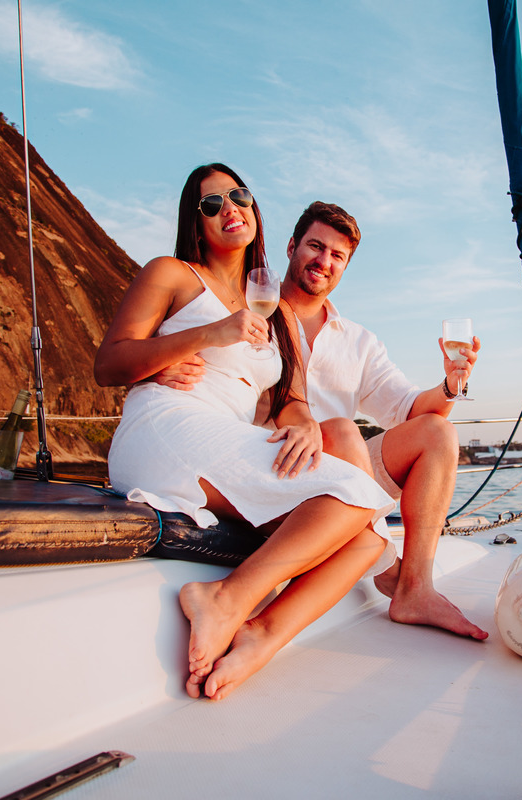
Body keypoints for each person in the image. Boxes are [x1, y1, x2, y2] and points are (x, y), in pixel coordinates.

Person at [95, 164, 395, 701]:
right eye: (212, 204)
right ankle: (225, 600)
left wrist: (304, 429)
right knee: (355, 495)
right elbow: (110, 363)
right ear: (196, 220)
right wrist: (207, 334)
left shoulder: (274, 306)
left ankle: (263, 633)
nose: (230, 208)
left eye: (239, 195)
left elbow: (291, 402)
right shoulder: (173, 273)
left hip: (220, 438)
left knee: (369, 535)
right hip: (166, 424)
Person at [157, 201, 489, 641]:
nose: (324, 261)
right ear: (292, 246)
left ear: (345, 267)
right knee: (343, 433)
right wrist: (162, 367)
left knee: (437, 432)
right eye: (315, 246)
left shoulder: (359, 341)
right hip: (266, 467)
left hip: (341, 464)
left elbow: (412, 408)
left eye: (338, 256)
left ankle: (414, 588)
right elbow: (194, 353)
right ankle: (379, 562)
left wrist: (449, 385)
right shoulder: (246, 309)